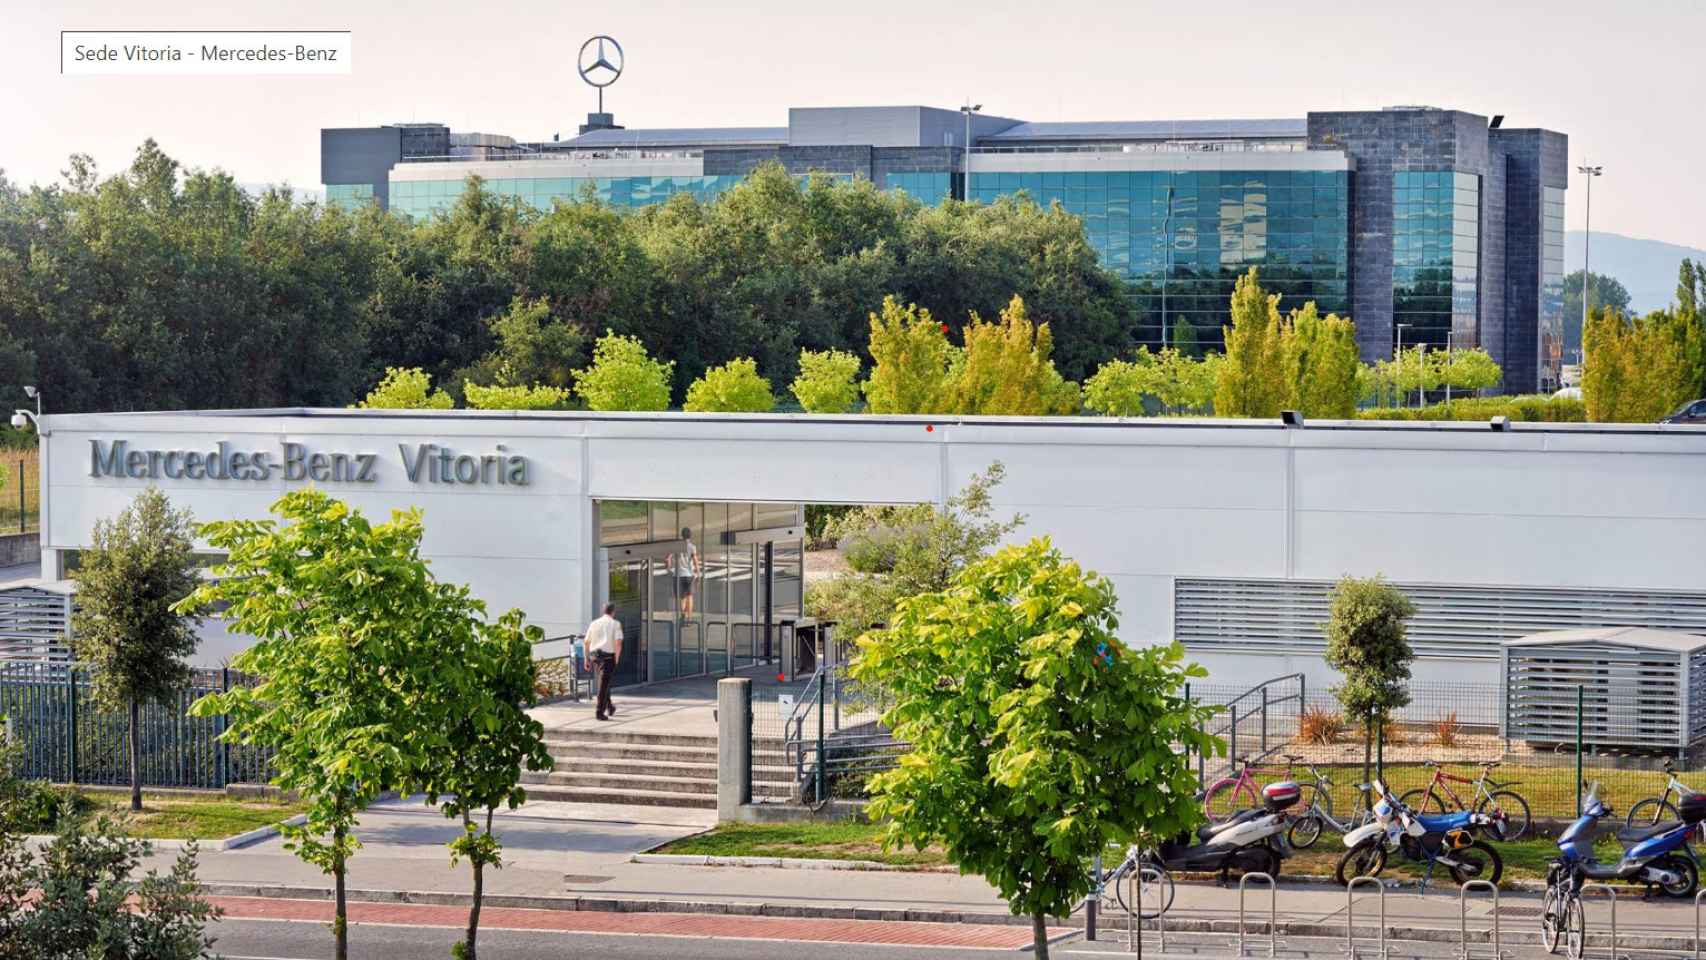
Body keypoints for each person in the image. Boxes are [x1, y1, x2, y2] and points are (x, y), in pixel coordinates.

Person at [585, 602, 623, 721]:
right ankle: (599, 712)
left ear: (603, 611)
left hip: (594, 656)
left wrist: (586, 659)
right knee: (603, 684)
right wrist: (616, 657)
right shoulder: (615, 624)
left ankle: (610, 706)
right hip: (607, 657)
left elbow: (586, 642)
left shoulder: (594, 623)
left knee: (604, 682)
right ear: (613, 612)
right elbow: (618, 642)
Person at [668, 527, 699, 616]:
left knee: (682, 597)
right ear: (690, 536)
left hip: (678, 575)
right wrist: (698, 573)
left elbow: (668, 557)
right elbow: (695, 560)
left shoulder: (676, 546)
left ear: (682, 535)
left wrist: (670, 568)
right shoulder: (692, 547)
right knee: (690, 596)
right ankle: (689, 617)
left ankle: (682, 614)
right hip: (689, 574)